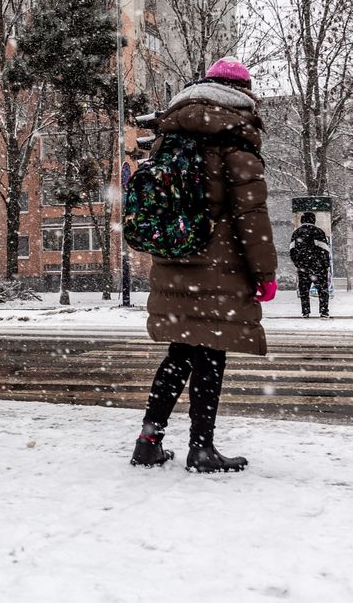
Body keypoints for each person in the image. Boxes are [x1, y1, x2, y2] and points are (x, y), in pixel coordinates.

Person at [130, 57, 277, 474]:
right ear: (244, 93)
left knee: (180, 353)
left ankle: (149, 440)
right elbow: (253, 216)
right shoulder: (235, 140)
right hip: (219, 264)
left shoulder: (169, 134)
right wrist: (264, 274)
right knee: (210, 354)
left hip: (175, 255)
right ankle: (201, 448)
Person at [289, 212, 332, 317]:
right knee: (322, 290)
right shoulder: (318, 232)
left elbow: (292, 251)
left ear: (302, 220)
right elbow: (325, 250)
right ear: (313, 220)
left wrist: (299, 264)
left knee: (304, 291)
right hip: (318, 267)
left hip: (303, 267)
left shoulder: (296, 233)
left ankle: (306, 312)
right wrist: (325, 265)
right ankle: (324, 311)